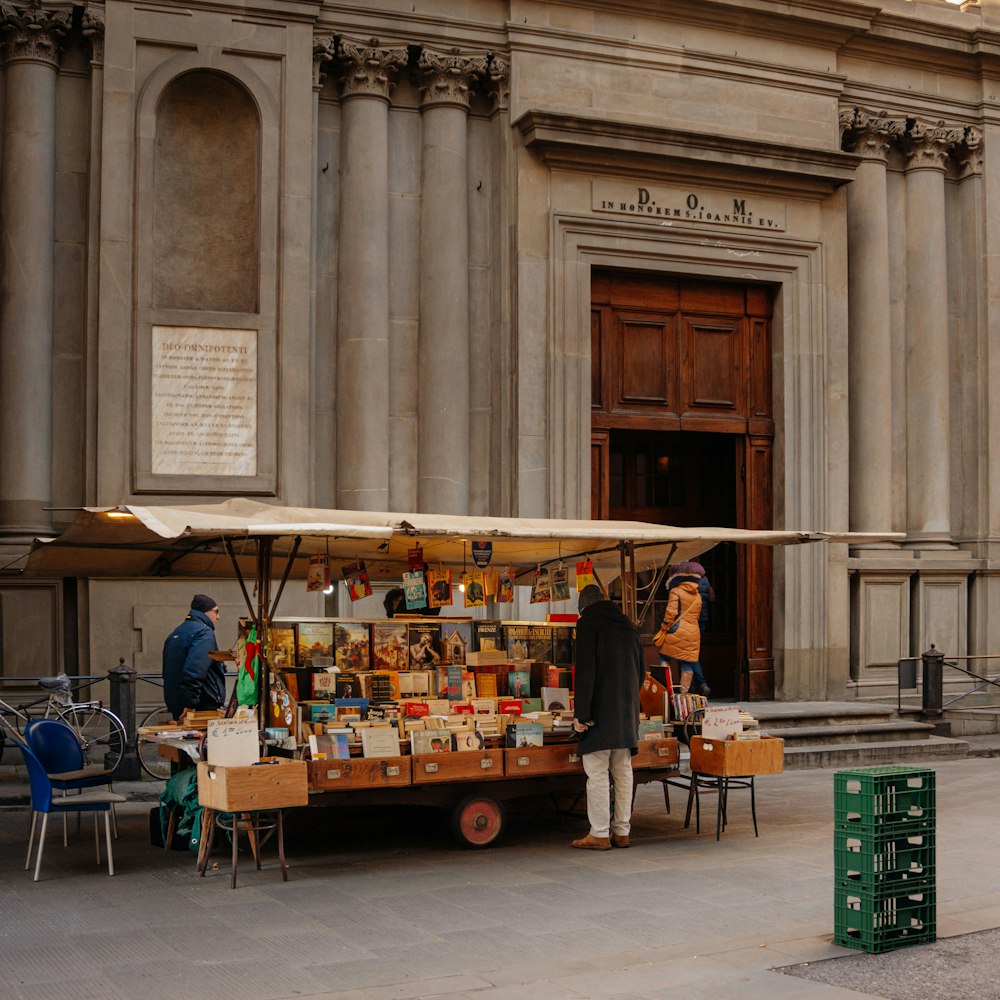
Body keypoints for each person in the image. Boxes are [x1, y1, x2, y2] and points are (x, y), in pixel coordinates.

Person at [571, 583, 645, 851]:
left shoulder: (588, 624)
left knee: (598, 773)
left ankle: (600, 834)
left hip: (599, 715)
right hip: (626, 713)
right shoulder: (628, 625)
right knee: (623, 772)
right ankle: (622, 831)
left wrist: (582, 714)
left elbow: (586, 673)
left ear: (584, 607)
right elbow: (642, 672)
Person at [162, 594, 227, 720]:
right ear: (204, 612)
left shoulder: (177, 632)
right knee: (202, 739)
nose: (218, 617)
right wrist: (190, 703)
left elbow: (170, 669)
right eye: (216, 612)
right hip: (201, 703)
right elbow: (195, 670)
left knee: (184, 738)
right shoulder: (204, 633)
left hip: (177, 701)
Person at [654, 564, 708, 697]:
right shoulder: (698, 596)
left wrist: (664, 626)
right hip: (693, 633)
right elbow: (698, 615)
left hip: (677, 630)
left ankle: (667, 689)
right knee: (687, 664)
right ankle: (684, 696)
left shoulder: (676, 591)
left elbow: (671, 613)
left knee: (664, 657)